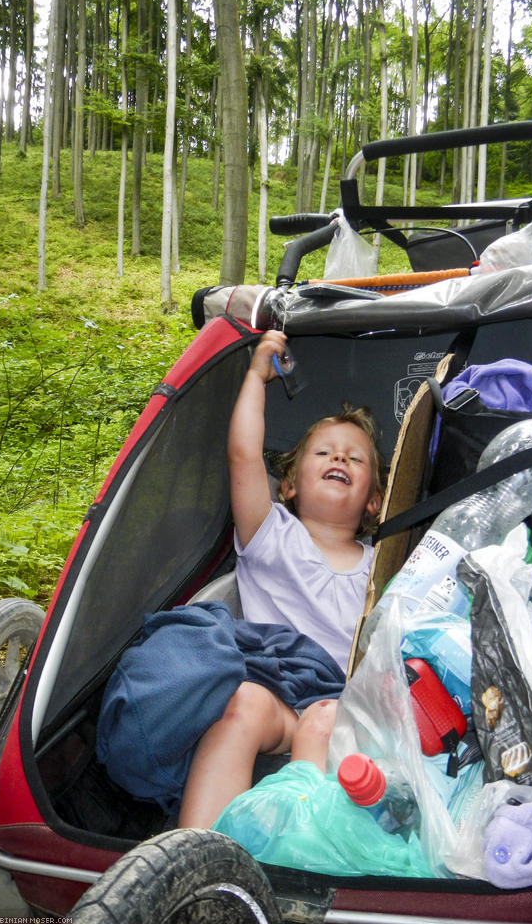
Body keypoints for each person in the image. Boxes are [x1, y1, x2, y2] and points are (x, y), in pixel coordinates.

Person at [178, 329, 386, 829]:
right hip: (277, 692)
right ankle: (193, 849)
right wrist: (256, 375)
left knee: (324, 721)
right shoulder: (271, 533)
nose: (339, 458)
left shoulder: (382, 562)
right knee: (244, 703)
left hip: (340, 705)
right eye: (325, 453)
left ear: (374, 501)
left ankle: (295, 844)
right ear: (289, 485)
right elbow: (243, 456)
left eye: (355, 458)